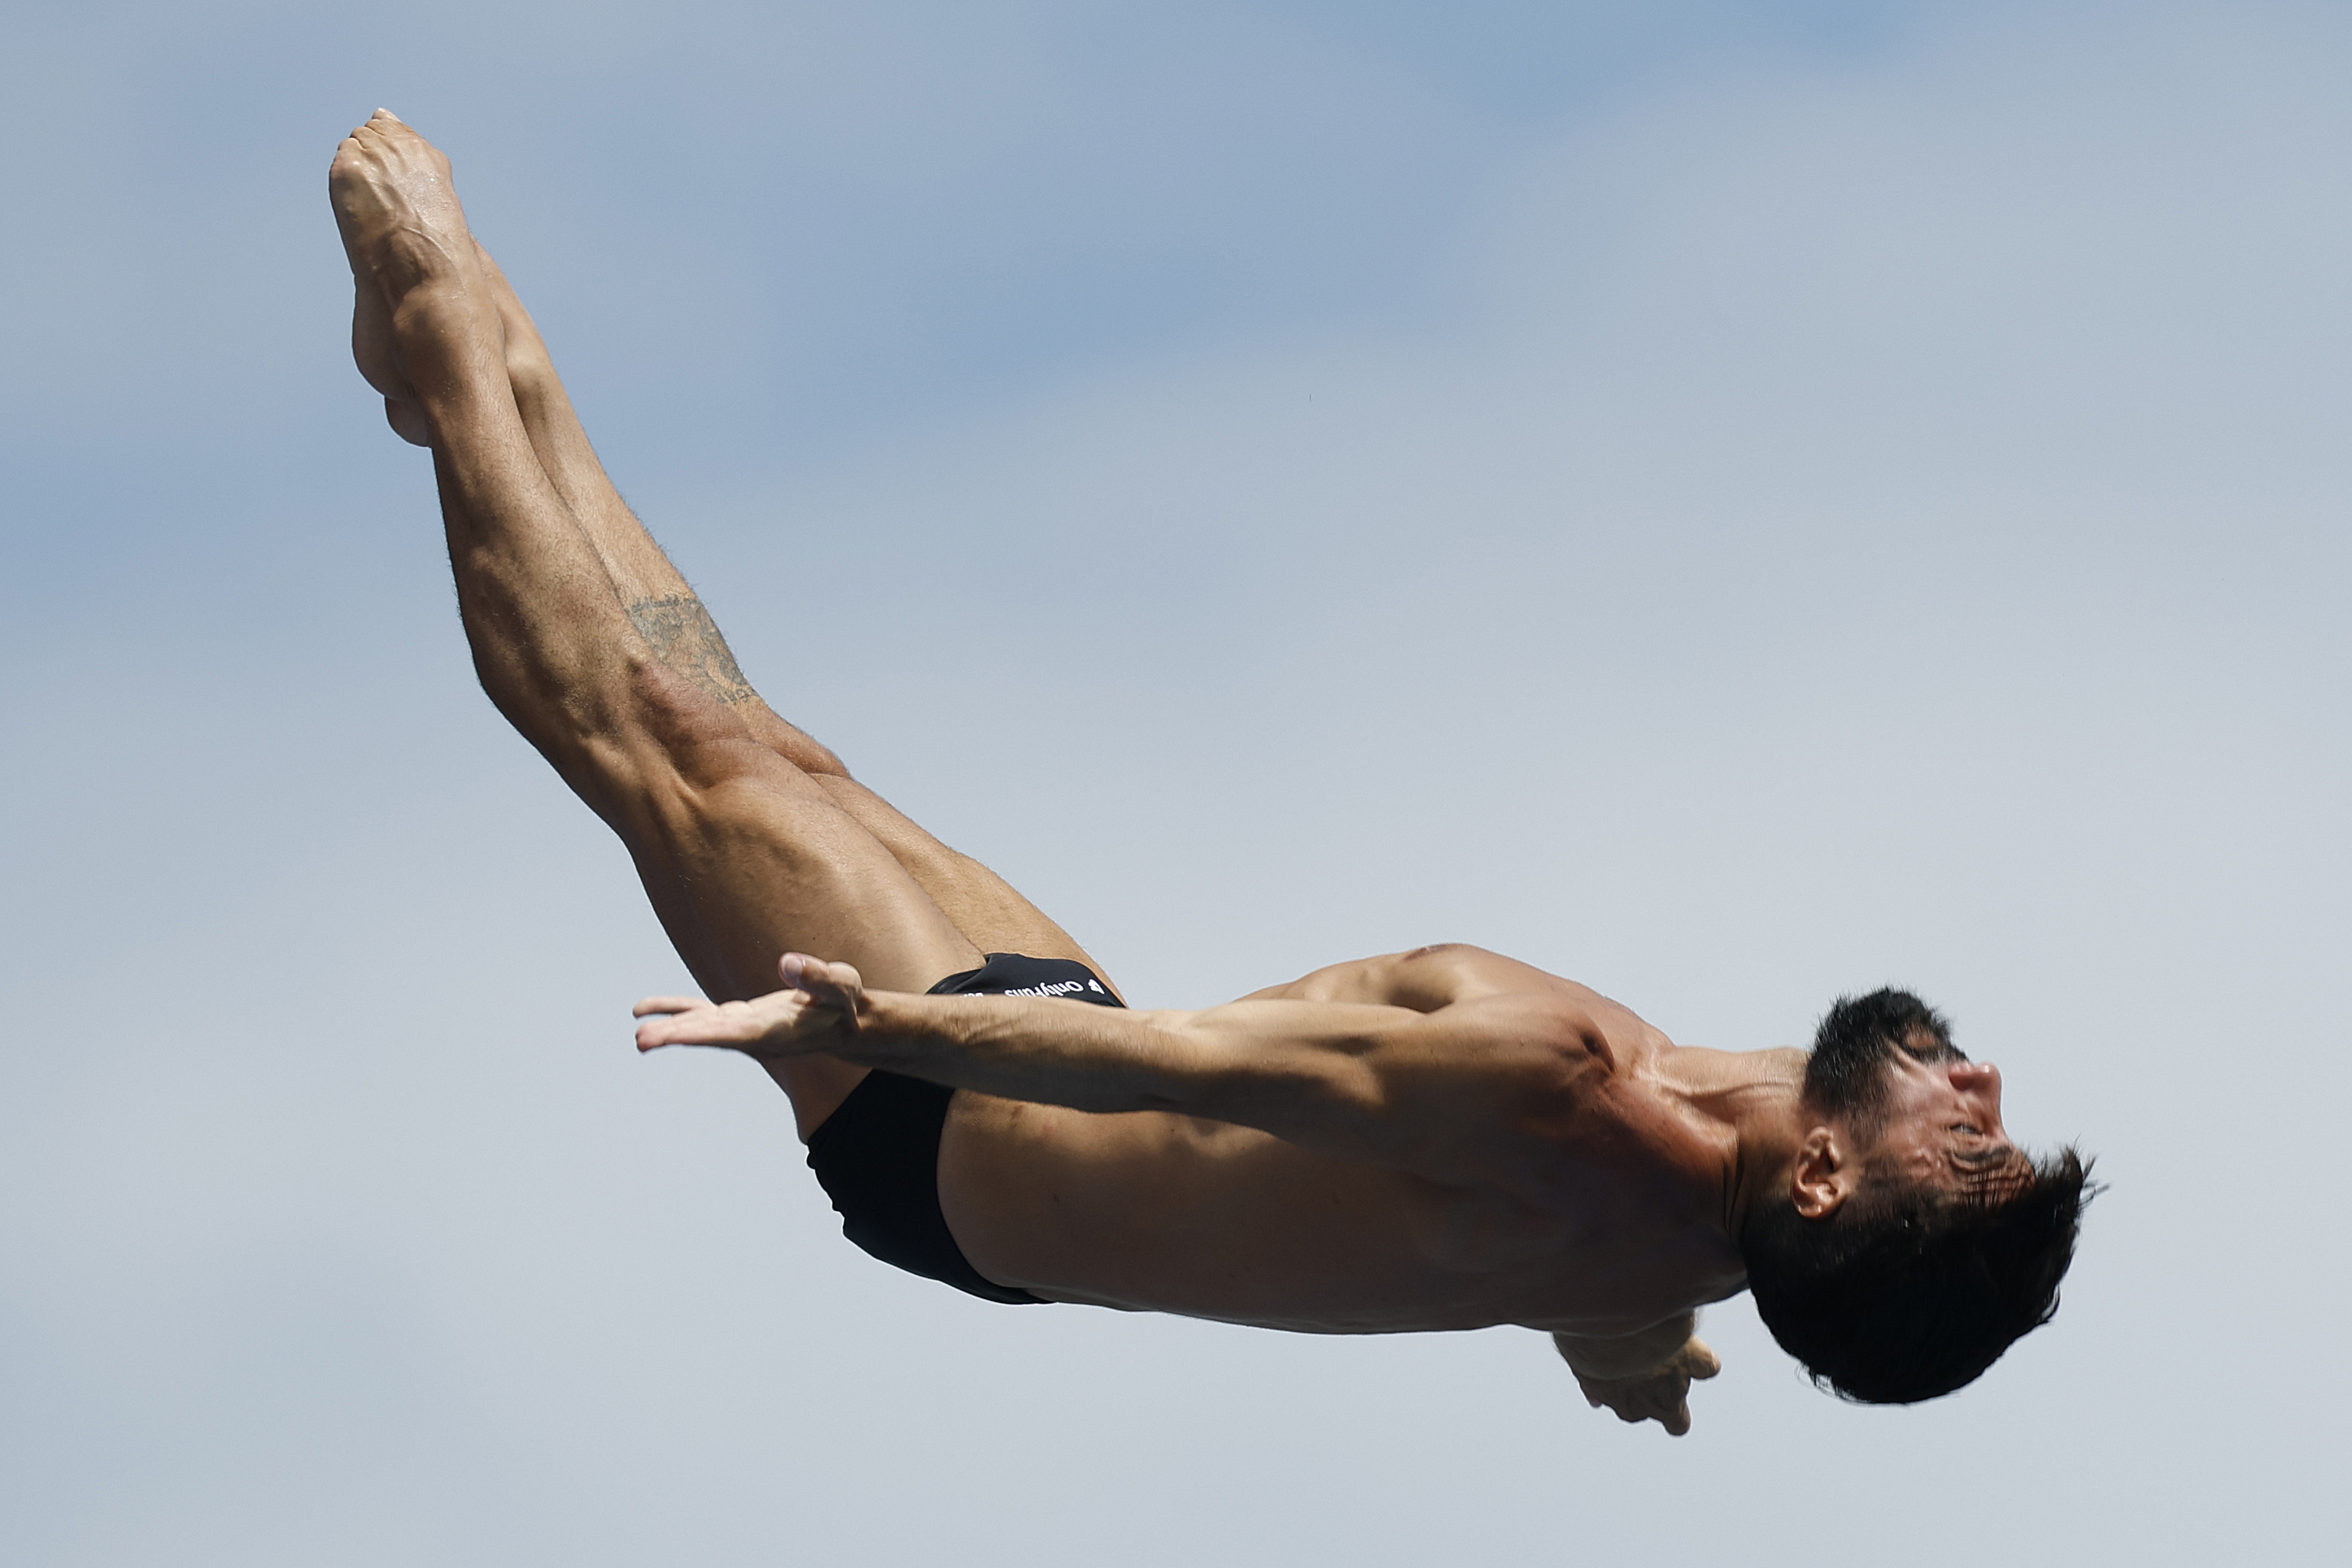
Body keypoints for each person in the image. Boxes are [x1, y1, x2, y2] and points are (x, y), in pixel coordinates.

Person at [328, 109, 2092, 1436]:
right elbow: (1607, 1289)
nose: (1984, 1086)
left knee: (658, 747)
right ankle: (493, 364)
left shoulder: (1551, 1094)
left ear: (1822, 1183)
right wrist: (1628, 1362)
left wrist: (865, 1028)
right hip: (1034, 1110)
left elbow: (1167, 1064)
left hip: (961, 1106)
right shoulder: (1712, 1219)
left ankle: (437, 327)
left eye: (1975, 1154)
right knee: (768, 745)